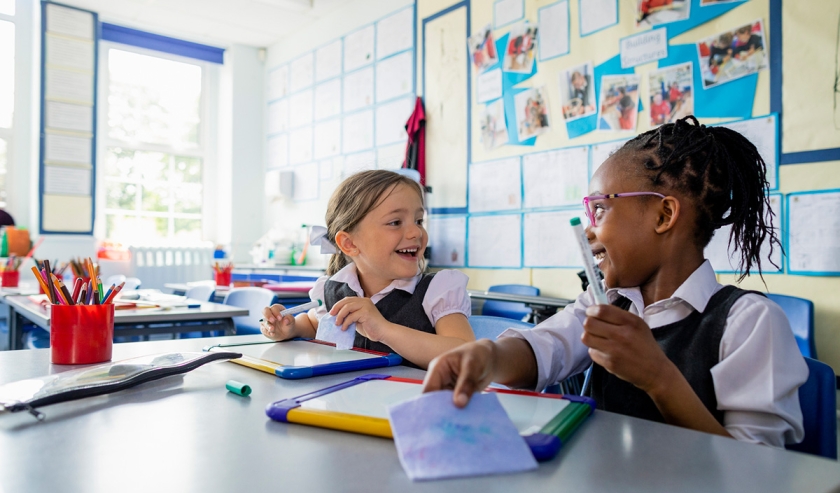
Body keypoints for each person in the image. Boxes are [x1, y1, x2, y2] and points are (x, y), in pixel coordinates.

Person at [423, 116, 807, 448]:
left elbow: (758, 471)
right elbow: (545, 348)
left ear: (663, 215)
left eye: (601, 209)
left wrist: (658, 378)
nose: (589, 231)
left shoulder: (748, 323)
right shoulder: (606, 301)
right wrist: (488, 357)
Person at [260, 170, 475, 369]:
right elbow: (313, 323)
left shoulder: (438, 290)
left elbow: (468, 356)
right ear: (349, 244)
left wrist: (384, 330)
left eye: (419, 220)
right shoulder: (334, 289)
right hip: (349, 403)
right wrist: (291, 327)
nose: (415, 232)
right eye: (395, 222)